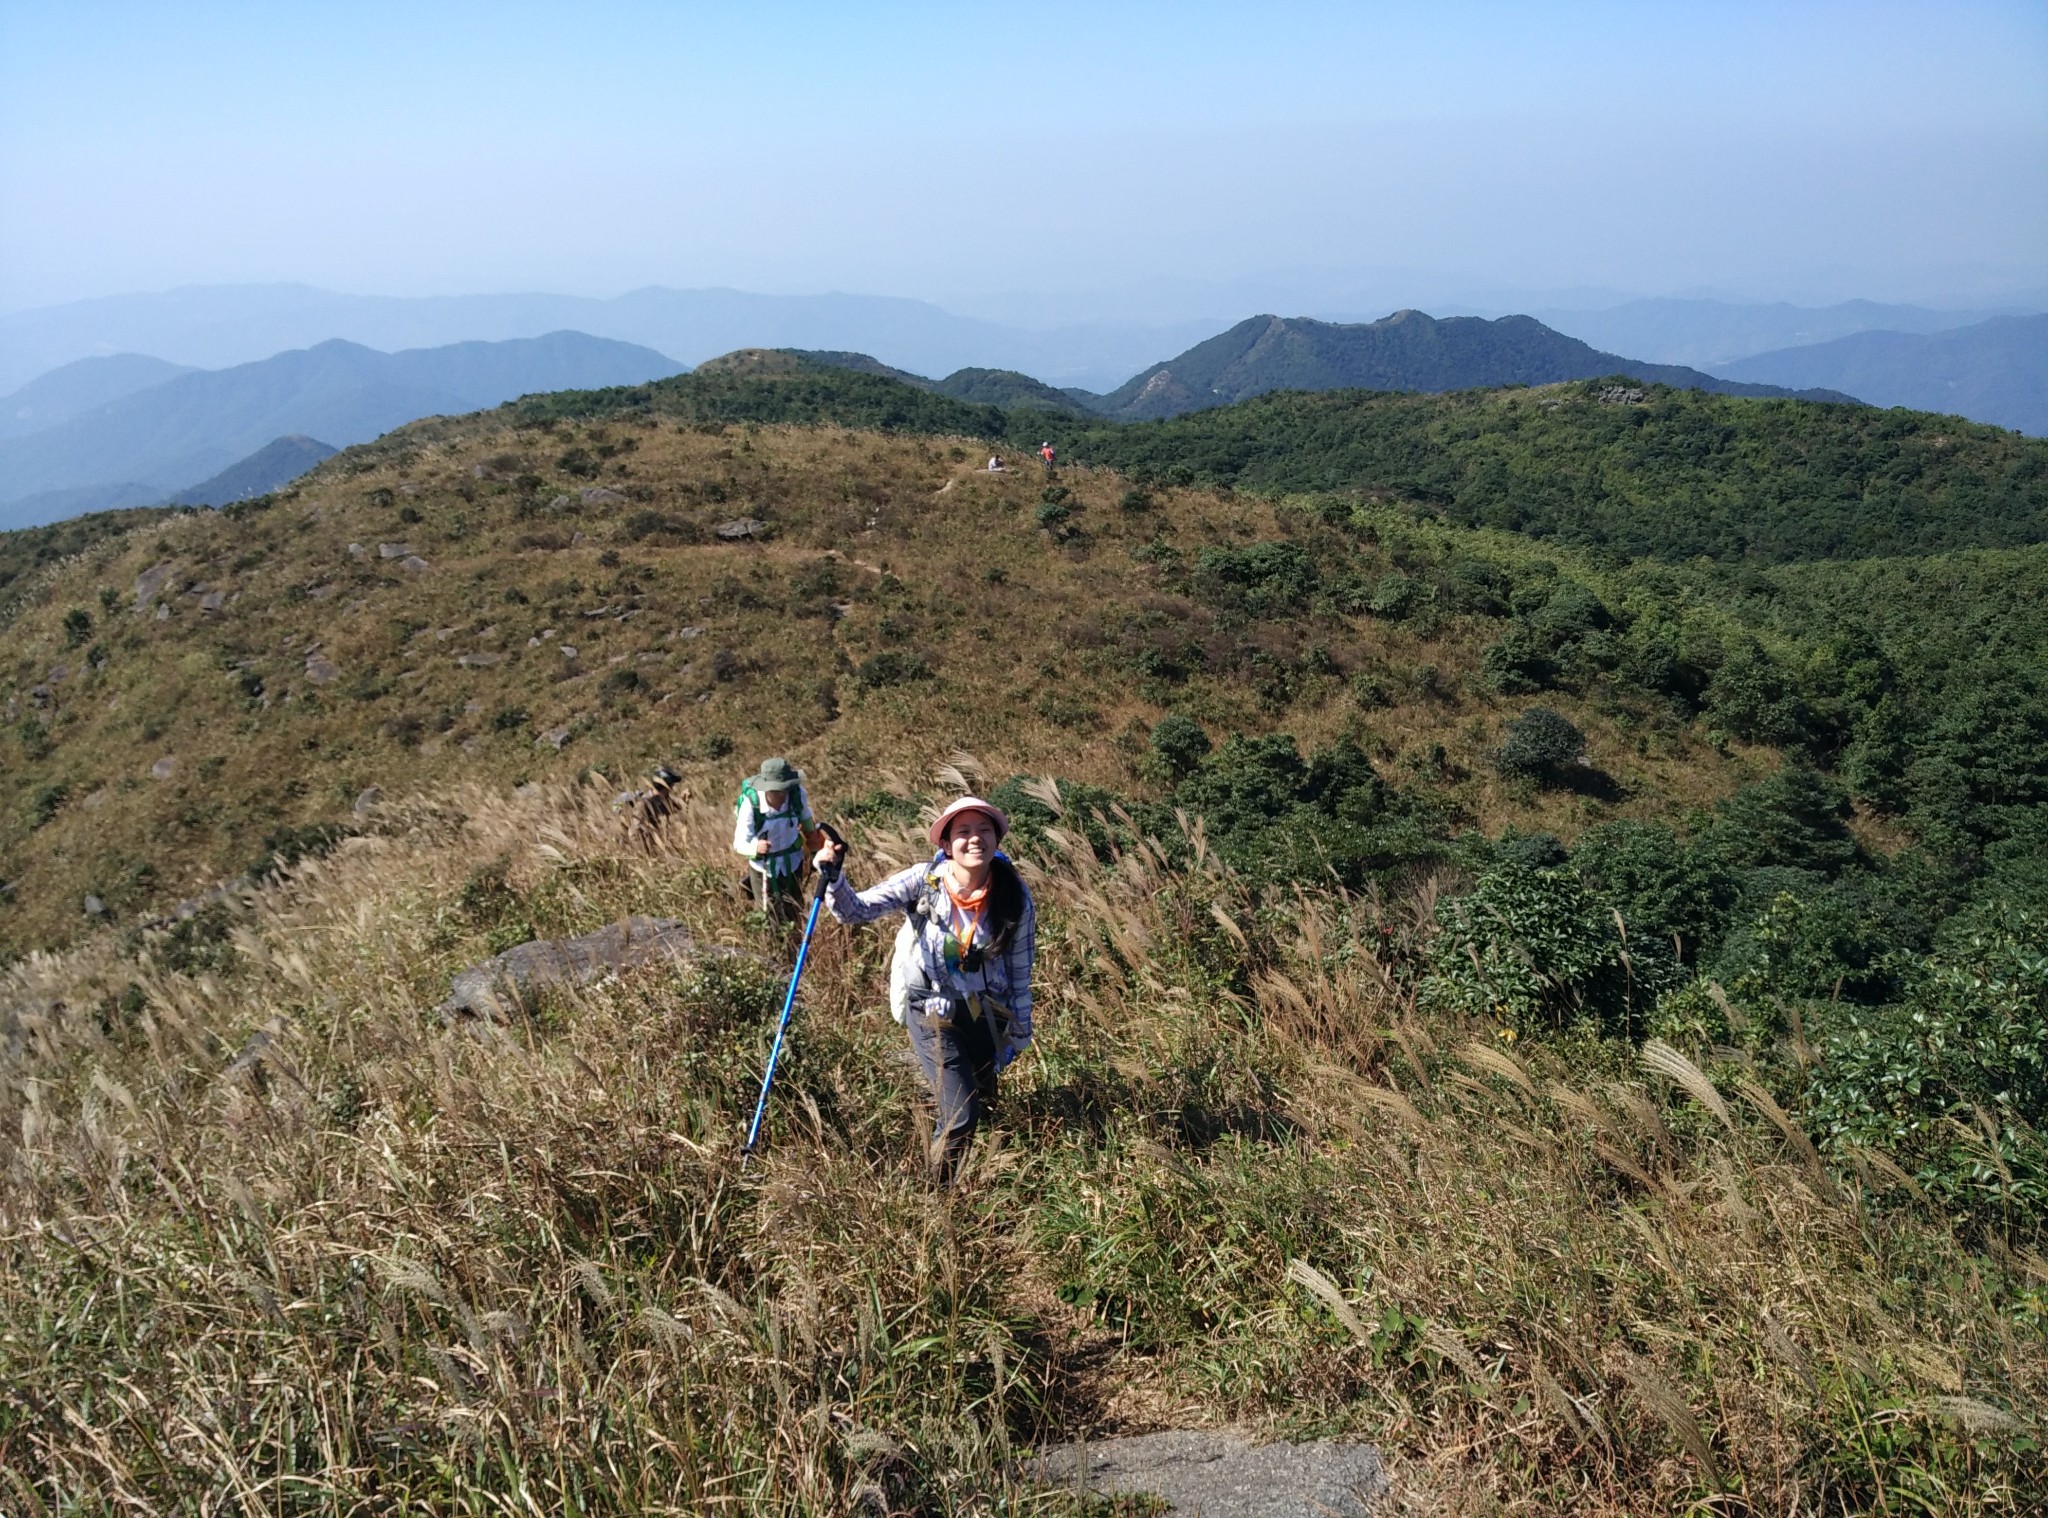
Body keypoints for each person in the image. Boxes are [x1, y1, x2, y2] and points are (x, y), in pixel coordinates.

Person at [814, 796, 1035, 1181]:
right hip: (931, 1008)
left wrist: (1019, 1025)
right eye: (963, 832)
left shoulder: (1013, 894)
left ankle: (995, 1167)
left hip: (984, 1009)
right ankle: (937, 1194)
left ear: (997, 840)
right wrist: (834, 877)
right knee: (960, 1115)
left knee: (984, 1091)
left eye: (984, 830)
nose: (975, 839)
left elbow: (1019, 967)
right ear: (946, 845)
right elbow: (856, 911)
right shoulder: (923, 881)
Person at [732, 756, 822, 925]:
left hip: (793, 863)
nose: (782, 793)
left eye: (785, 788)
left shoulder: (797, 794)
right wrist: (755, 848)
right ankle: (772, 949)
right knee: (767, 916)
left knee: (794, 910)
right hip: (763, 869)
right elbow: (739, 843)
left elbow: (806, 820)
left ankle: (794, 946)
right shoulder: (751, 803)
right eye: (777, 789)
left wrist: (814, 845)